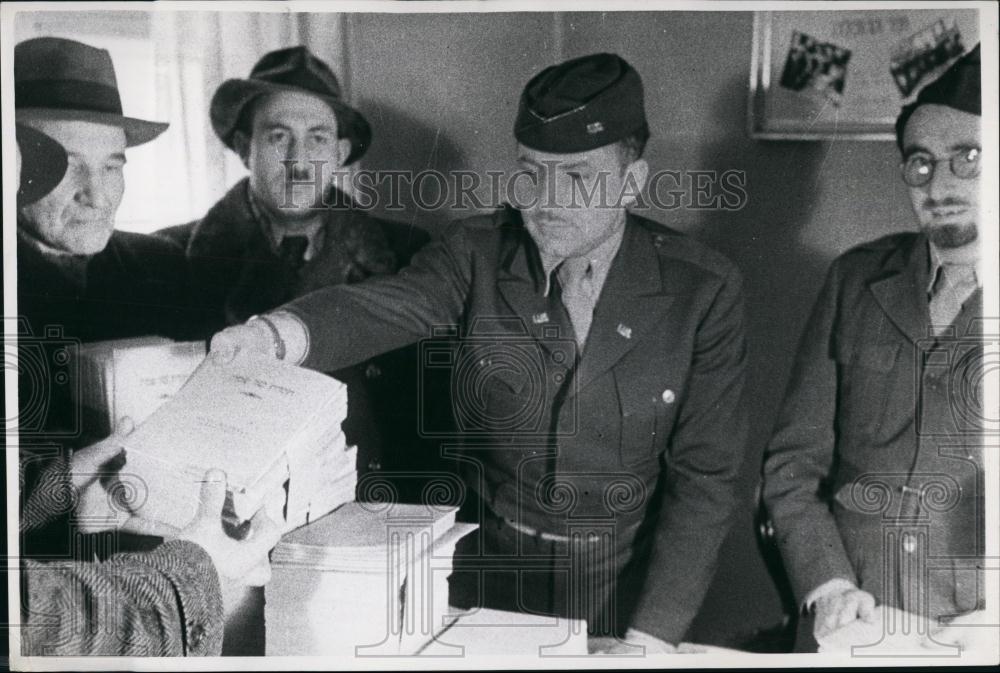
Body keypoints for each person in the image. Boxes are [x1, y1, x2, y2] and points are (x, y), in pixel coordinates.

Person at [212, 52, 748, 651]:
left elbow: (705, 481)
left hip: (620, 590)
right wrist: (272, 336)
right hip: (489, 576)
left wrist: (649, 639)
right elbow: (385, 306)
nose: (545, 199)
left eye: (577, 177)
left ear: (632, 181)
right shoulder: (478, 251)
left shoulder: (701, 290)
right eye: (531, 172)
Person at [15, 123, 282, 658]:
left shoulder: (163, 264)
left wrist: (53, 484)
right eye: (64, 165)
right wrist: (190, 579)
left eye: (112, 165)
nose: (96, 195)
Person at [762, 46, 988, 652]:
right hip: (852, 619)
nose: (939, 185)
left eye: (968, 158)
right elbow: (792, 465)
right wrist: (828, 583)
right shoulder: (856, 279)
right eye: (920, 163)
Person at [156, 45, 440, 503]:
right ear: (244, 147)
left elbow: (426, 428)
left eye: (318, 139)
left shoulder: (407, 255)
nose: (299, 161)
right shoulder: (167, 261)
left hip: (364, 508)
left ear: (340, 153)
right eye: (278, 137)